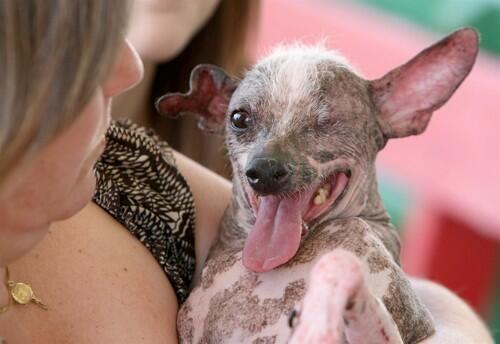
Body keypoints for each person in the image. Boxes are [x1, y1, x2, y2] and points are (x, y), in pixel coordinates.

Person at [0, 1, 493, 343]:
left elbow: (403, 286)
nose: (124, 65)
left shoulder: (135, 173)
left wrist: (451, 332)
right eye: (77, 35)